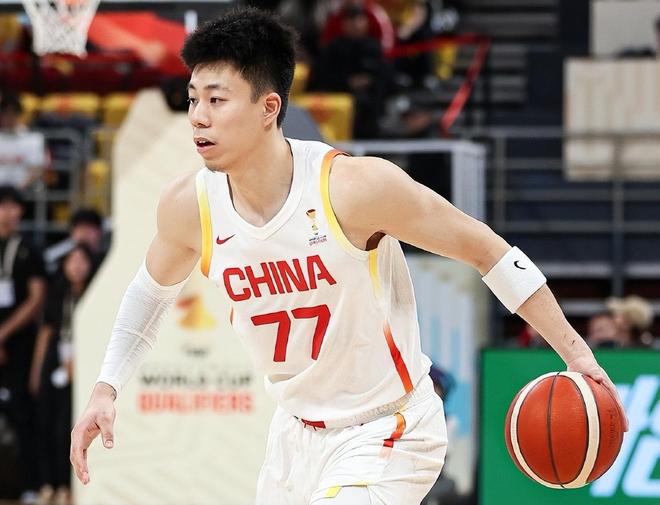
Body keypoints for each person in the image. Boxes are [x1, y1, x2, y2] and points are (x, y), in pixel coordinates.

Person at [70, 8, 628, 505]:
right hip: (293, 437)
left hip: (388, 429)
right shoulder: (189, 207)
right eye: (193, 99)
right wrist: (105, 387)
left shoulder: (354, 189)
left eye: (217, 100)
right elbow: (149, 293)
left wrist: (577, 355)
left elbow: (488, 251)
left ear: (269, 107)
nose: (198, 116)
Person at [31, 244, 95, 505]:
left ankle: (68, 485)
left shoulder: (95, 293)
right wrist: (36, 371)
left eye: (82, 260)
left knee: (66, 428)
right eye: (72, 260)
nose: (77, 266)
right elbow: (46, 333)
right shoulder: (57, 293)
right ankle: (48, 484)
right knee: (45, 425)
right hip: (54, 363)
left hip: (83, 368)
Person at [0, 186, 47, 503]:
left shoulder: (29, 249)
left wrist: (3, 335)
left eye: (14, 206)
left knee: (23, 413)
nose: (8, 213)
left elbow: (37, 298)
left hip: (19, 344)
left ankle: (31, 484)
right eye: (3, 206)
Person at [0, 93, 47, 190]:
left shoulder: (33, 139)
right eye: (5, 112)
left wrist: (17, 191)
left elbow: (36, 169)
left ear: (20, 115)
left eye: (14, 112)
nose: (10, 116)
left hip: (24, 193)